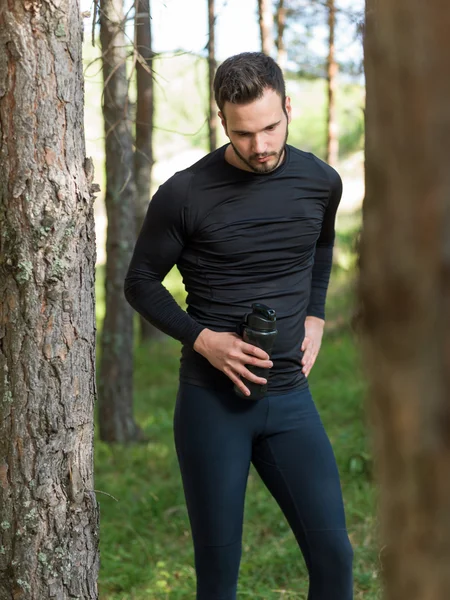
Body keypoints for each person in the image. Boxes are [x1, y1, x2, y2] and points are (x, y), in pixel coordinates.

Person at [124, 52, 353, 600]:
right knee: (219, 577)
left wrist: (316, 315)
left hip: (291, 400)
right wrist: (204, 340)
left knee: (335, 557)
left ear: (288, 106)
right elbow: (140, 282)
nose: (262, 146)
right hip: (212, 407)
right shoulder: (184, 194)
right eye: (244, 133)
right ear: (222, 121)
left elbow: (320, 247)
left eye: (271, 127)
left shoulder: (321, 181)